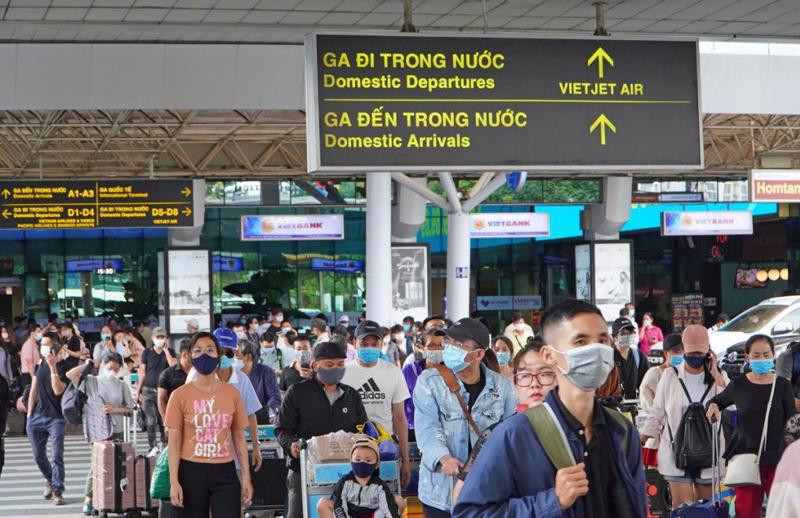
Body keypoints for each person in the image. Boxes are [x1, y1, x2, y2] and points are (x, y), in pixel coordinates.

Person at [452, 300, 646, 518]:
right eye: (580, 341)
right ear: (549, 355)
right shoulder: (515, 435)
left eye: (602, 340)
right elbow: (469, 513)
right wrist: (552, 501)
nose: (595, 350)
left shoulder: (622, 431)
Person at [414, 318, 516, 517]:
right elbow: (427, 428)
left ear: (478, 354)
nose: (449, 348)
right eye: (449, 342)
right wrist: (443, 458)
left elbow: (509, 435)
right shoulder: (429, 382)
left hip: (485, 492)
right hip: (440, 494)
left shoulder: (503, 388)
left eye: (458, 344)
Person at [450, 340, 558, 504]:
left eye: (545, 374)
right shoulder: (496, 435)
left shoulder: (578, 429)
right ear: (515, 384)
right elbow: (461, 496)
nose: (534, 384)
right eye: (525, 376)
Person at [275, 340, 368, 518]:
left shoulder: (352, 396)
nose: (336, 369)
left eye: (340, 364)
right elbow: (282, 429)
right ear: (315, 365)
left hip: (345, 472)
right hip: (303, 470)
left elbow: (362, 430)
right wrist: (291, 446)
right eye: (329, 365)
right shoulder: (297, 392)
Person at [705, 334, 795, 518]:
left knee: (783, 512)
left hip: (778, 459)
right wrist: (712, 406)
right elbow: (718, 401)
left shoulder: (782, 385)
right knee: (745, 512)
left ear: (773, 356)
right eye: (756, 355)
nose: (761, 359)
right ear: (747, 357)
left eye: (766, 354)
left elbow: (793, 422)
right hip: (746, 459)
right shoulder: (739, 384)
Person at [165, 331, 253, 518]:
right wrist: (173, 481)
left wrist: (246, 476)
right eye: (198, 350)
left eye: (210, 350)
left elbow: (239, 436)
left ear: (218, 355)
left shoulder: (232, 394)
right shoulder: (179, 396)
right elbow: (174, 440)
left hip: (225, 471)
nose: (204, 354)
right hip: (190, 472)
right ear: (190, 356)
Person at [640, 325, 728, 508]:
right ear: (684, 349)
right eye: (691, 352)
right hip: (676, 452)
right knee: (683, 509)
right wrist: (642, 439)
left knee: (705, 510)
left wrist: (716, 373)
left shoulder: (719, 377)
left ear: (709, 352)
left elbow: (733, 405)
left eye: (700, 353)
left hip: (709, 452)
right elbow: (657, 411)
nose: (695, 357)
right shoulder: (670, 375)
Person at [342, 320, 411, 487]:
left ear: (381, 344)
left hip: (385, 450)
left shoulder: (393, 372)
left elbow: (400, 418)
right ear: (354, 343)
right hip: (352, 451)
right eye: (364, 343)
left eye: (374, 344)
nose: (369, 347)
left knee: (386, 498)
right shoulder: (343, 374)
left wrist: (406, 460)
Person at [67, 353, 134, 516]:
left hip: (118, 430)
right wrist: (88, 365)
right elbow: (70, 375)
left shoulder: (122, 385)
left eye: (116, 369)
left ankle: (117, 500)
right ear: (104, 365)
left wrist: (115, 409)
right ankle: (88, 500)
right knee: (97, 467)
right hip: (98, 432)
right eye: (110, 367)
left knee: (119, 467)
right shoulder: (92, 381)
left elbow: (131, 409)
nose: (113, 371)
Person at [26, 332, 70, 506]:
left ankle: (57, 491)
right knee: (38, 455)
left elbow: (58, 390)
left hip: (56, 418)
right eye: (41, 344)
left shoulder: (65, 367)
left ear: (55, 347)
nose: (42, 347)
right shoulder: (40, 363)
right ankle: (50, 479)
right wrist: (29, 414)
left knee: (56, 456)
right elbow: (34, 389)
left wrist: (53, 368)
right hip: (36, 416)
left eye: (46, 344)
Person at [317, 439, 403, 518]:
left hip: (372, 515)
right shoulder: (345, 482)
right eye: (358, 459)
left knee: (398, 500)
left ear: (377, 464)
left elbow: (388, 507)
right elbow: (339, 505)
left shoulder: (380, 486)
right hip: (348, 515)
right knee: (322, 503)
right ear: (351, 461)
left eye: (368, 460)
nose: (362, 463)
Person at [135, 326, 176, 454]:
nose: (160, 339)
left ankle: (165, 444)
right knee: (150, 420)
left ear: (166, 339)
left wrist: (166, 351)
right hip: (148, 390)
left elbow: (174, 366)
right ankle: (152, 446)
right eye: (158, 337)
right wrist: (138, 391)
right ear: (152, 338)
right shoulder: (146, 352)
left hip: (164, 391)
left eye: (162, 337)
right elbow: (142, 372)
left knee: (164, 420)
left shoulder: (170, 352)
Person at [402, 326, 446, 439]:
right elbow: (401, 401)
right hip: (414, 428)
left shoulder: (452, 371)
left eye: (440, 345)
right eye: (431, 345)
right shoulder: (410, 370)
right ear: (422, 347)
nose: (436, 349)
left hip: (445, 429)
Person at [236, 340, 281, 424]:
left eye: (236, 355)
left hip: (260, 420)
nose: (233, 359)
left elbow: (274, 396)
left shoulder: (266, 372)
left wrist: (272, 411)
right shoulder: (229, 373)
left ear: (248, 357)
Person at [640, 333, 683, 411]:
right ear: (666, 353)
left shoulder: (685, 373)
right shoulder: (655, 373)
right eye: (677, 352)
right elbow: (646, 399)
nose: (681, 355)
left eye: (683, 352)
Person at [611, 317, 648, 400]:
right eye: (623, 334)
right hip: (613, 404)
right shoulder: (609, 356)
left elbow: (646, 382)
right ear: (614, 337)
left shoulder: (638, 355)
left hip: (633, 403)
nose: (628, 336)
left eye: (631, 333)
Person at [157, 338, 193, 425]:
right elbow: (161, 399)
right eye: (195, 353)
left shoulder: (200, 374)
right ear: (185, 355)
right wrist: (166, 422)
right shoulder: (167, 374)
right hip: (175, 420)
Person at [19, 323, 41, 389]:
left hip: (34, 372)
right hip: (29, 375)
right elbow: (30, 363)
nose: (40, 333)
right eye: (38, 332)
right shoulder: (28, 345)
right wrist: (33, 379)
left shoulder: (34, 344)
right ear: (32, 333)